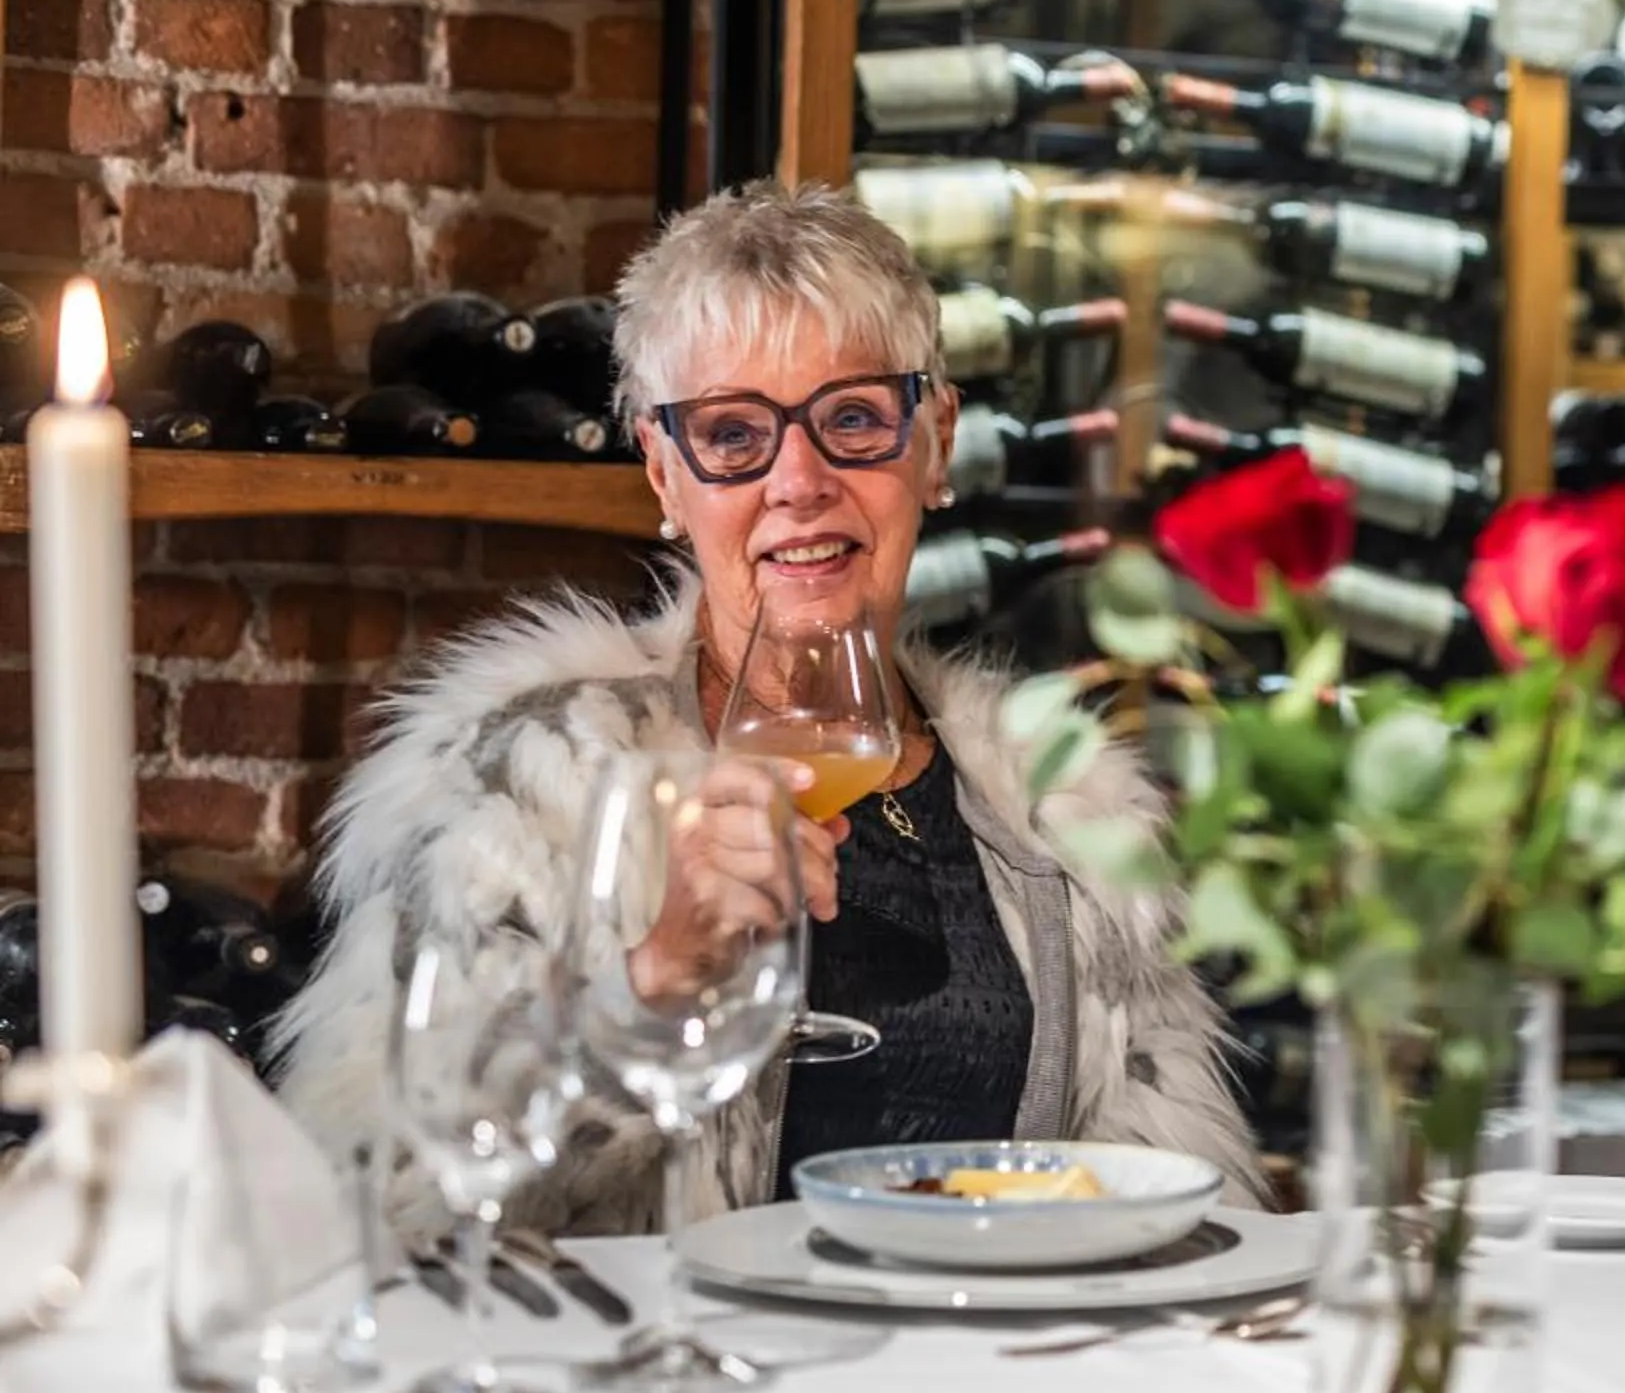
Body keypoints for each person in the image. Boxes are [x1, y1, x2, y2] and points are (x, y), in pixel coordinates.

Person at [270, 181, 1260, 1231]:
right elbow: (369, 1200)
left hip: (975, 1385)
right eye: (734, 434)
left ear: (934, 444)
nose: (800, 479)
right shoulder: (529, 779)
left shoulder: (1070, 820)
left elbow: (1180, 1212)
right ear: (663, 471)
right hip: (655, 1387)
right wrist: (654, 988)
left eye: (853, 419)